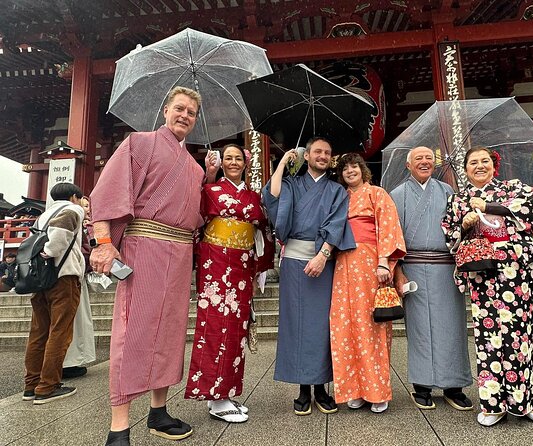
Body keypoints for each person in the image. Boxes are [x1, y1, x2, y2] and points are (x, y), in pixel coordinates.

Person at [91, 86, 216, 446]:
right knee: (133, 332)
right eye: (179, 108)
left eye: (191, 112)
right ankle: (119, 426)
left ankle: (158, 411)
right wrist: (103, 243)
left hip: (179, 254)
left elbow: (193, 211)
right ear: (165, 110)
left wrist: (206, 177)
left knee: (170, 332)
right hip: (143, 246)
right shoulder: (139, 143)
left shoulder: (193, 167)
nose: (185, 116)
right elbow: (109, 192)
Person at [442, 146, 533, 427]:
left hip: (514, 271)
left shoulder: (514, 189)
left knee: (520, 337)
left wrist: (487, 207)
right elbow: (449, 232)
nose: (479, 166)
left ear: (494, 165)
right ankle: (492, 405)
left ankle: (526, 403)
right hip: (482, 274)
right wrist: (464, 225)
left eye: (484, 161)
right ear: (465, 170)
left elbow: (530, 214)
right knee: (487, 339)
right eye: (473, 163)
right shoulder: (458, 199)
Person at [262, 137, 356, 416]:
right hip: (293, 261)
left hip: (322, 261)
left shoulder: (337, 190)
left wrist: (324, 255)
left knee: (322, 324)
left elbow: (337, 223)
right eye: (318, 151)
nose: (323, 156)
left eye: (328, 152)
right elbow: (272, 196)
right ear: (307, 155)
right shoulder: (292, 183)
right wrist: (282, 162)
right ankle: (303, 388)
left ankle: (322, 388)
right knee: (296, 324)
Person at [185, 144, 275, 422]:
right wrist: (208, 176)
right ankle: (214, 397)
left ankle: (226, 392)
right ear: (221, 162)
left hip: (242, 266)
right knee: (214, 326)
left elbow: (262, 229)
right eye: (228, 158)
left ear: (246, 163)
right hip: (215, 264)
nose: (233, 162)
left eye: (238, 158)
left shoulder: (253, 195)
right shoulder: (210, 190)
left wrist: (261, 264)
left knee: (236, 329)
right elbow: (197, 222)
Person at [390, 146, 473, 412]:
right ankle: (422, 386)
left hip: (445, 268)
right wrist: (398, 272)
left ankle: (454, 385)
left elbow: (459, 228)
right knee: (419, 329)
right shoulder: (397, 195)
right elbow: (393, 238)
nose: (424, 162)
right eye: (419, 159)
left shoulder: (448, 192)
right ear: (408, 165)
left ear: (435, 163)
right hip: (412, 267)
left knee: (452, 326)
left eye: (429, 158)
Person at [330, 153, 405, 414]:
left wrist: (384, 261)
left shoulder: (376, 193)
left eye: (354, 167)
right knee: (345, 324)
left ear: (362, 170)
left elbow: (387, 226)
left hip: (370, 259)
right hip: (343, 263)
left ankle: (377, 390)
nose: (350, 171)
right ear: (341, 174)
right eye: (345, 168)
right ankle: (355, 389)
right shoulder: (340, 197)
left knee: (371, 325)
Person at [23, 182, 85, 405]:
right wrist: (48, 253)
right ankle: (47, 386)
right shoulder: (73, 209)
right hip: (63, 278)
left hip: (40, 281)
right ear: (74, 197)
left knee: (39, 332)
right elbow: (58, 238)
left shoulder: (43, 215)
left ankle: (31, 384)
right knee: (60, 331)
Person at [62, 196, 96, 379]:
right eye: (84, 206)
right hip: (71, 276)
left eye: (89, 206)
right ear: (73, 199)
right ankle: (68, 364)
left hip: (56, 277)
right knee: (72, 322)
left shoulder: (47, 216)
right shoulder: (73, 218)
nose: (87, 210)